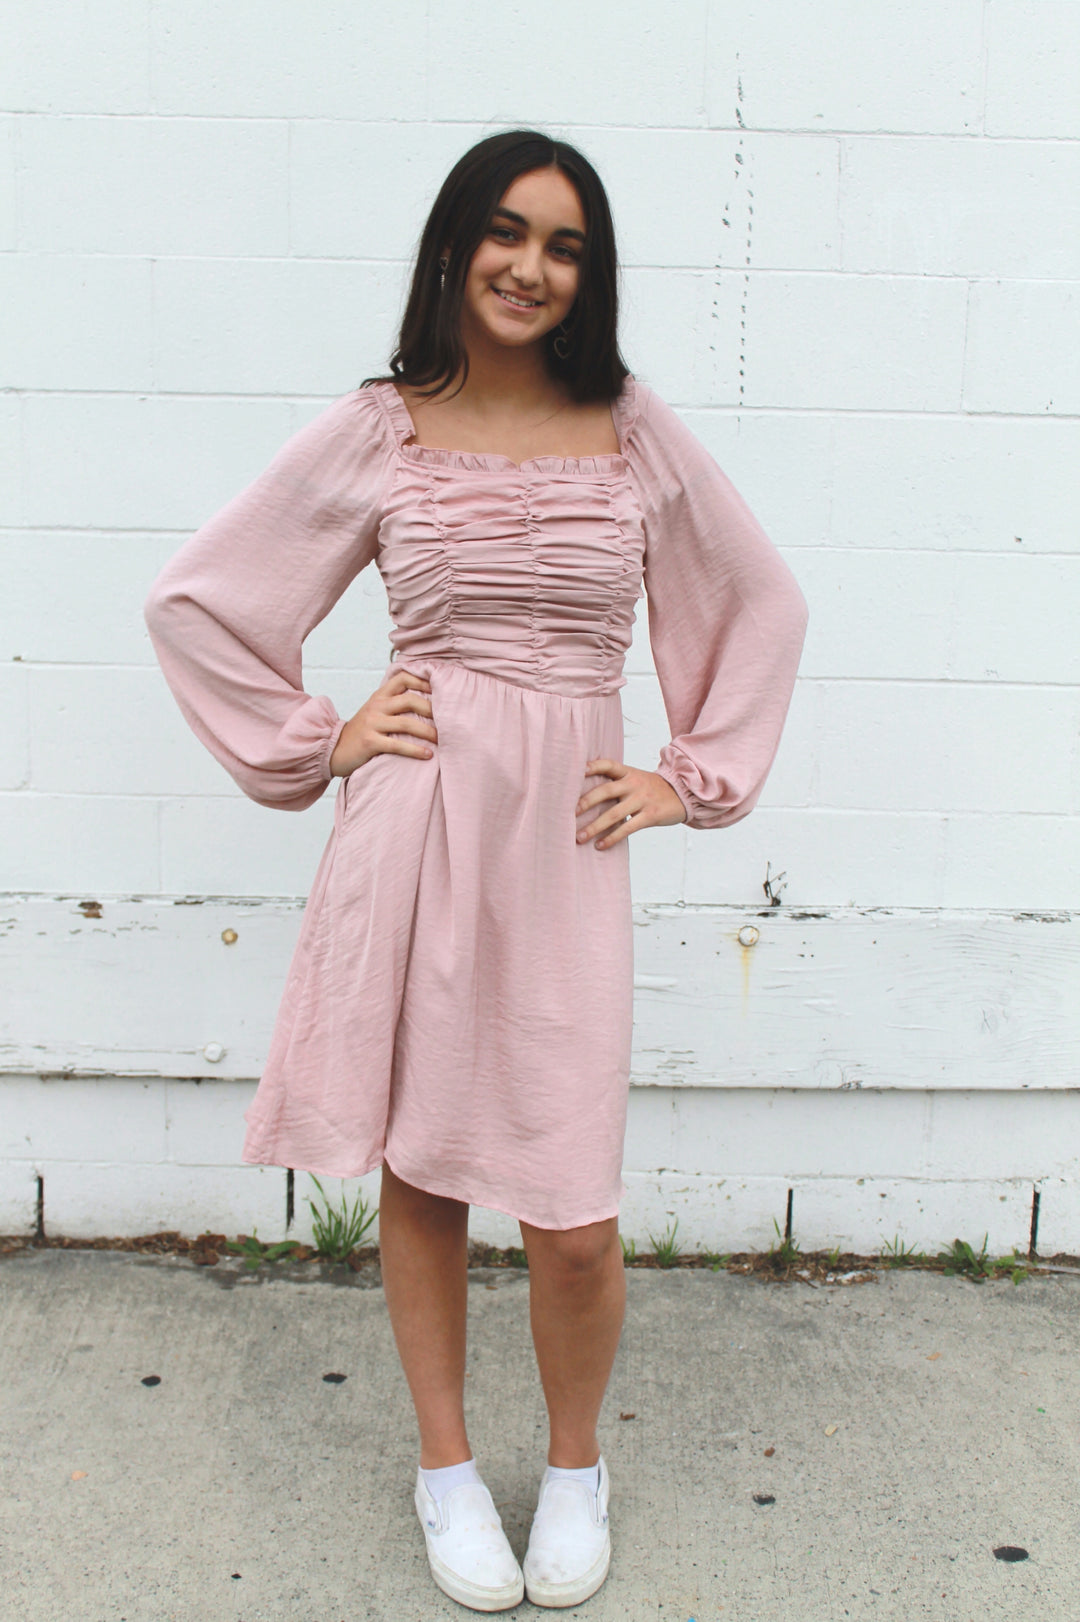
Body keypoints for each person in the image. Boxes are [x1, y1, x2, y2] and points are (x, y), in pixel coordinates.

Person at [143, 128, 808, 1612]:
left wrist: (688, 778)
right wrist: (324, 737)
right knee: (427, 1162)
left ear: (593, 275)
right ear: (453, 247)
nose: (531, 265)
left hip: (564, 845)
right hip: (422, 826)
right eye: (506, 233)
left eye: (566, 244)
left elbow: (760, 599)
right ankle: (447, 1465)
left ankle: (577, 1463)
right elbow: (201, 598)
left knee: (570, 1212)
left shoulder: (631, 428)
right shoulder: (385, 427)